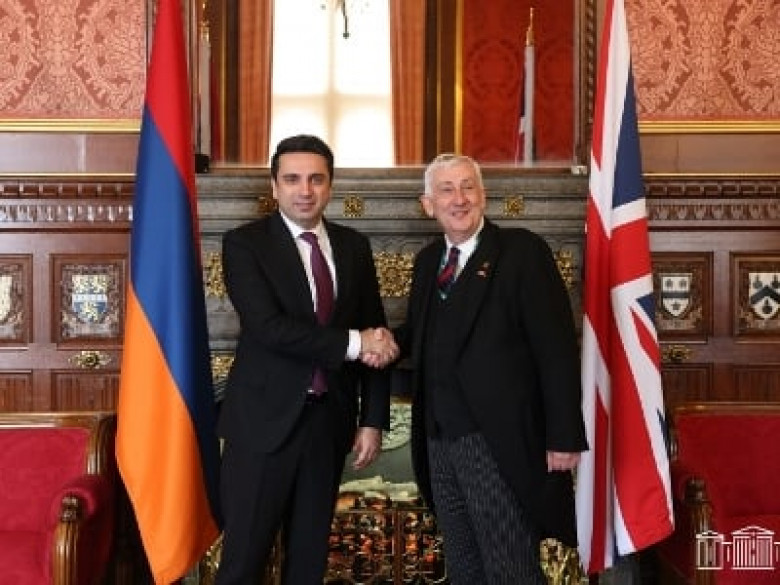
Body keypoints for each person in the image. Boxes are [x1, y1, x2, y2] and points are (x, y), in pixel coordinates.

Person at [391, 153, 588, 584]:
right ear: (428, 204)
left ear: (483, 196)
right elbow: (422, 333)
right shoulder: (428, 262)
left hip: (497, 441)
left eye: (468, 187)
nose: (459, 199)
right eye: (447, 190)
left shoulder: (522, 252)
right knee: (464, 566)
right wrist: (376, 343)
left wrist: (564, 436)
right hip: (438, 441)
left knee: (510, 567)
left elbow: (555, 348)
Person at [215, 134, 399, 585]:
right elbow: (268, 328)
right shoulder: (245, 244)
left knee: (309, 564)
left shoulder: (353, 246)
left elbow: (376, 331)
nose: (305, 190)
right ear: (274, 186)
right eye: (293, 179)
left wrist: (373, 420)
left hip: (327, 425)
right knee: (242, 564)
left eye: (316, 179)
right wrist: (355, 343)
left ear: (330, 185)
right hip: (262, 427)